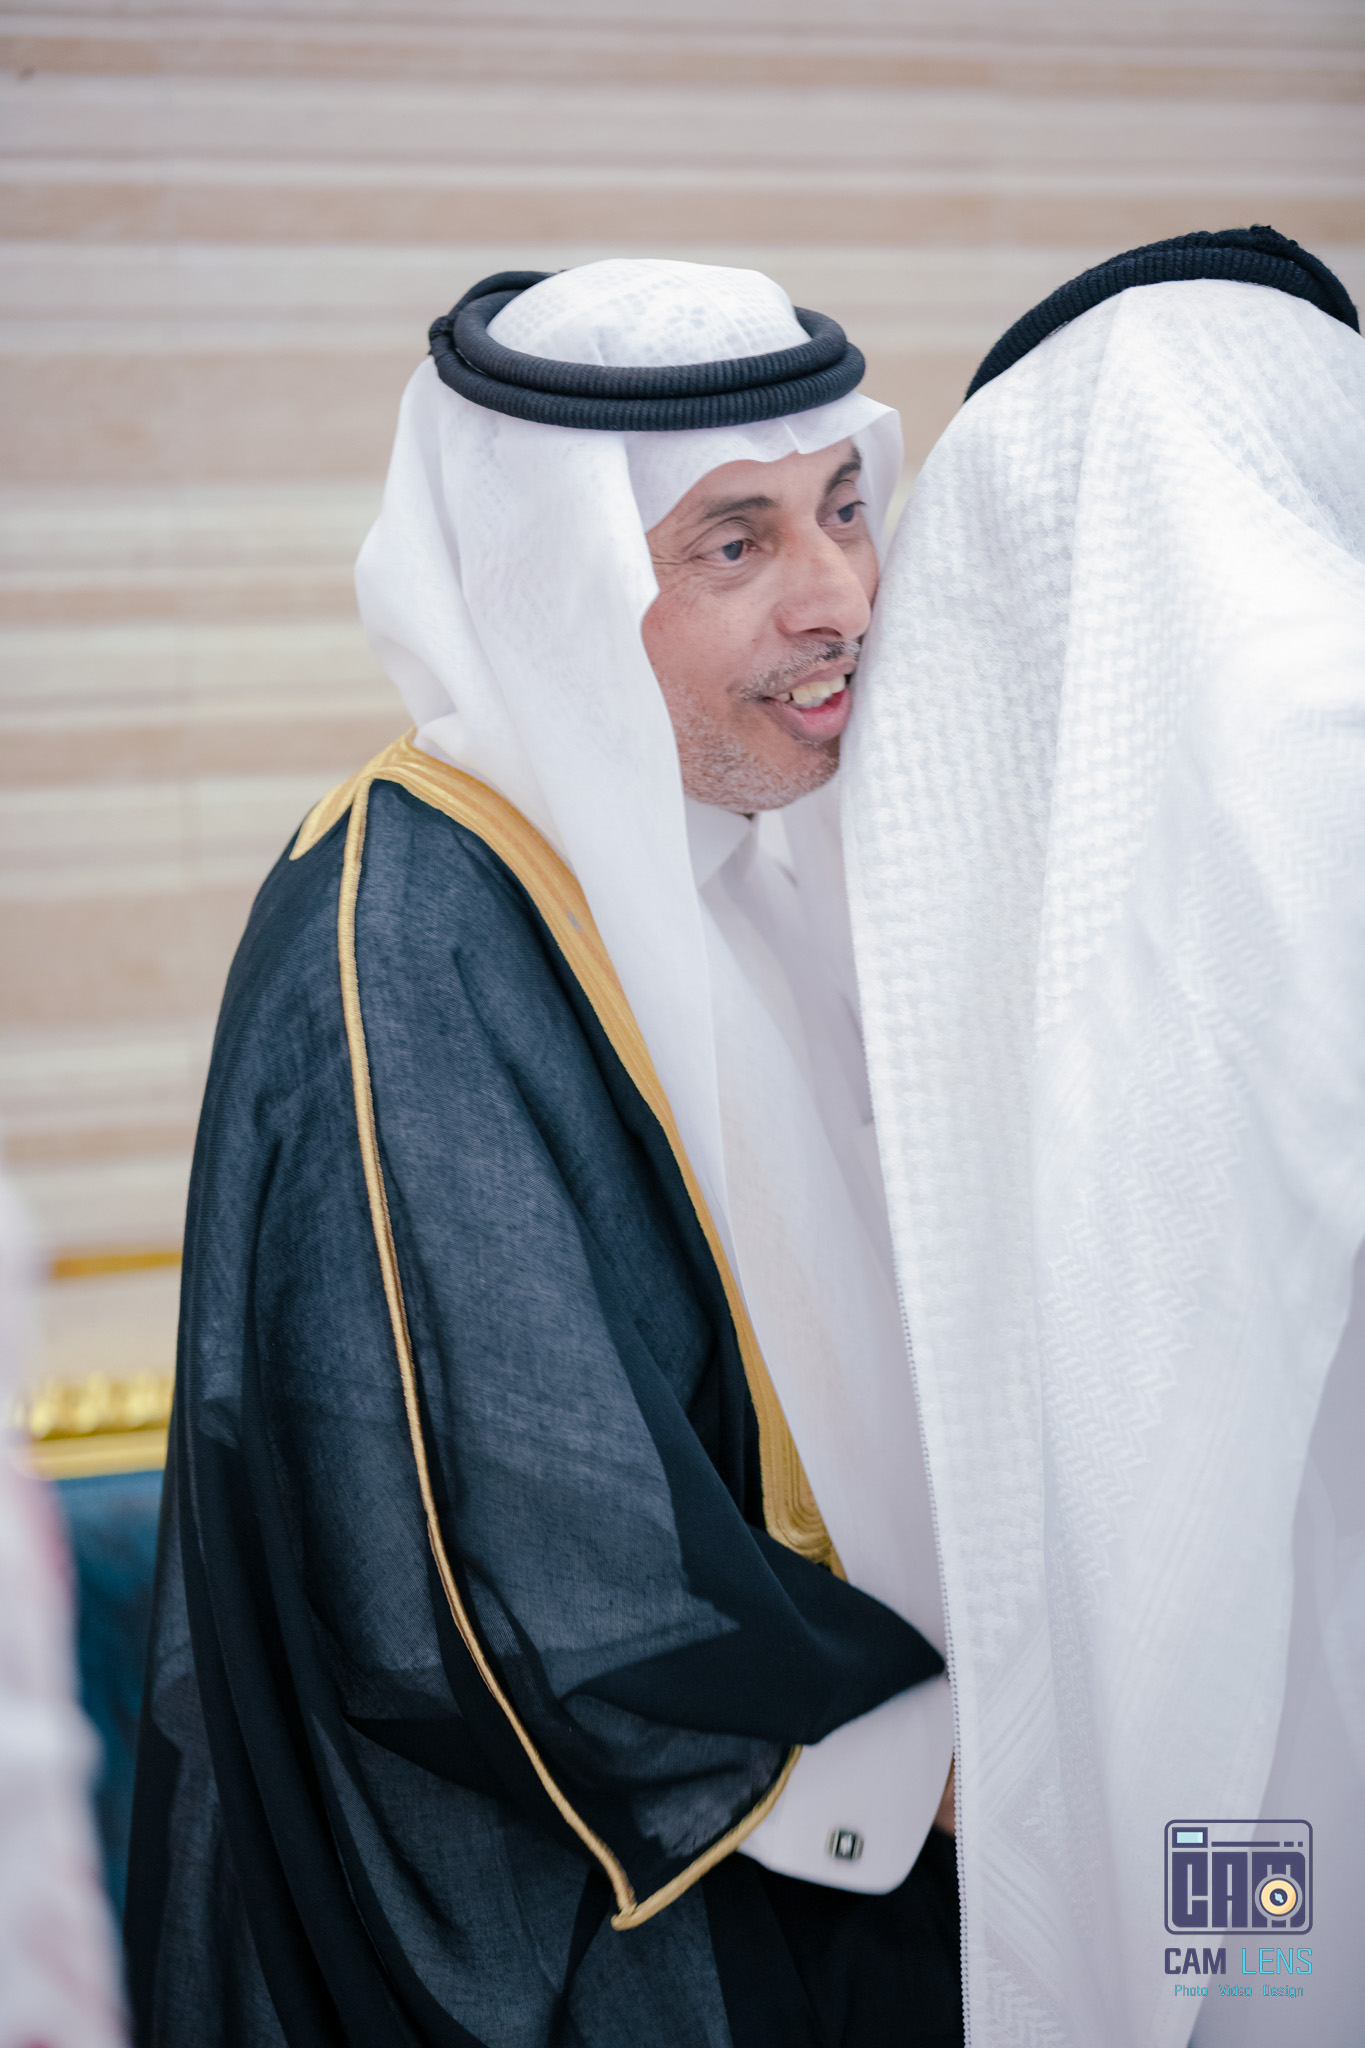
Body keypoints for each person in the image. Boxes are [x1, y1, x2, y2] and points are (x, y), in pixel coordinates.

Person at [126, 261, 962, 2047]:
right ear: (549, 584)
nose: (838, 599)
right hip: (589, 1929)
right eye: (731, 543)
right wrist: (943, 1762)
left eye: (841, 510)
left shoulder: (749, 860)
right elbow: (490, 1554)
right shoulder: (400, 938)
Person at [843, 227, 1365, 2047]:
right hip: (1272, 1684)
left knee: (1241, 1960)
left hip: (1246, 1688)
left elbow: (1173, 1458)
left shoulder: (1290, 748)